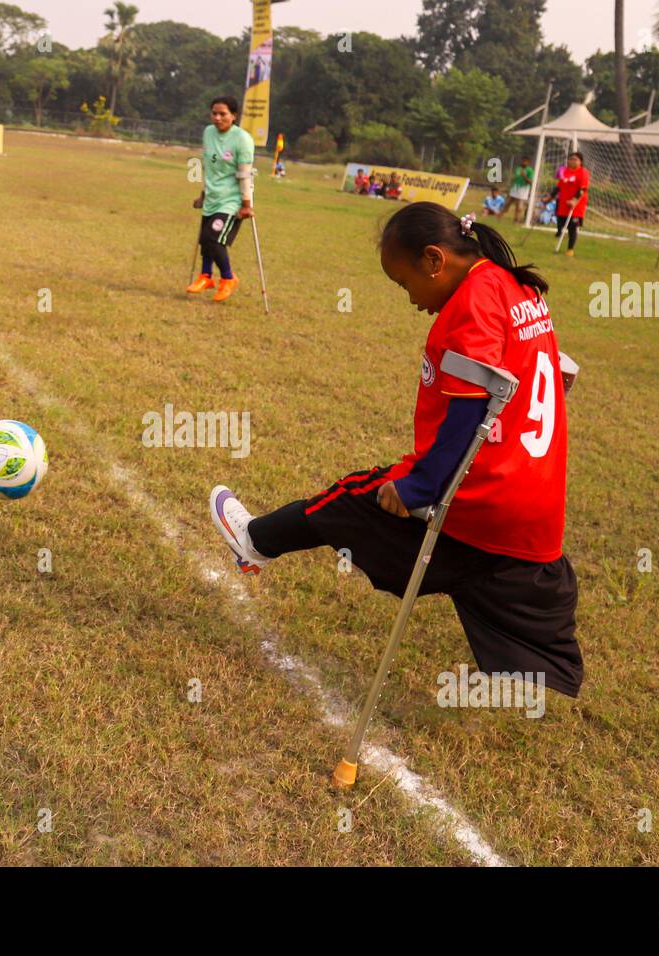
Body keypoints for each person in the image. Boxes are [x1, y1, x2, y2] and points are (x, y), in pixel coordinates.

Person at [209, 204, 581, 697]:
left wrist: (421, 488)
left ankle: (253, 539)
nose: (411, 300)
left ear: (434, 260)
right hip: (534, 496)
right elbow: (550, 370)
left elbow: (468, 412)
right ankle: (527, 664)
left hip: (478, 490)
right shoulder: (517, 286)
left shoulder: (474, 299)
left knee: (349, 499)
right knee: (480, 567)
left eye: (405, 283)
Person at [185, 95, 256, 303]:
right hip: (212, 196)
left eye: (222, 114)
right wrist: (202, 195)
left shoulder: (242, 139)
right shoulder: (208, 133)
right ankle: (206, 277)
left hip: (232, 200)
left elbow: (245, 173)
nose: (217, 118)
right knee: (205, 240)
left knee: (213, 238)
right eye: (214, 113)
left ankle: (228, 278)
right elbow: (210, 168)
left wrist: (246, 205)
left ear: (234, 116)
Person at [544, 151, 588, 256]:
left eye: (575, 159)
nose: (571, 161)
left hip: (576, 205)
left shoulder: (583, 172)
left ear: (580, 162)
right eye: (570, 159)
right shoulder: (566, 171)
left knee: (573, 227)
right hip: (563, 203)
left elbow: (583, 189)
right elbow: (558, 187)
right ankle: (561, 239)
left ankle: (570, 249)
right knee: (560, 223)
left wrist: (574, 200)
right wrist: (549, 198)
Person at [504, 157, 533, 222]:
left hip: (523, 190)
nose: (523, 162)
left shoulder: (530, 170)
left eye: (525, 161)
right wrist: (510, 186)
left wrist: (524, 176)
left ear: (528, 162)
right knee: (507, 204)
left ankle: (517, 219)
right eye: (523, 161)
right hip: (515, 188)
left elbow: (530, 182)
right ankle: (499, 215)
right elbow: (514, 178)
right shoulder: (518, 168)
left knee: (519, 206)